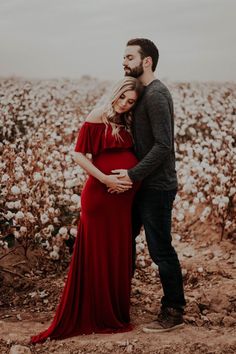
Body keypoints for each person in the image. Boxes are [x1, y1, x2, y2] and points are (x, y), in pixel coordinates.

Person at [30, 77, 143, 343]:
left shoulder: (128, 120)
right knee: (97, 254)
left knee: (116, 252)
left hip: (121, 200)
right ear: (116, 92)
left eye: (131, 101)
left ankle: (113, 312)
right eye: (123, 97)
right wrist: (106, 179)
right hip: (100, 196)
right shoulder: (99, 115)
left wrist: (126, 180)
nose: (125, 103)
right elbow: (78, 154)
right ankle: (95, 313)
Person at [110, 38, 186, 333]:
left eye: (129, 57)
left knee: (160, 249)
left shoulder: (156, 94)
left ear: (147, 61)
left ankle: (173, 310)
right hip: (142, 184)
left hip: (157, 186)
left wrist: (131, 175)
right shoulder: (141, 93)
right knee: (123, 241)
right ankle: (118, 304)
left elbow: (164, 145)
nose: (124, 62)